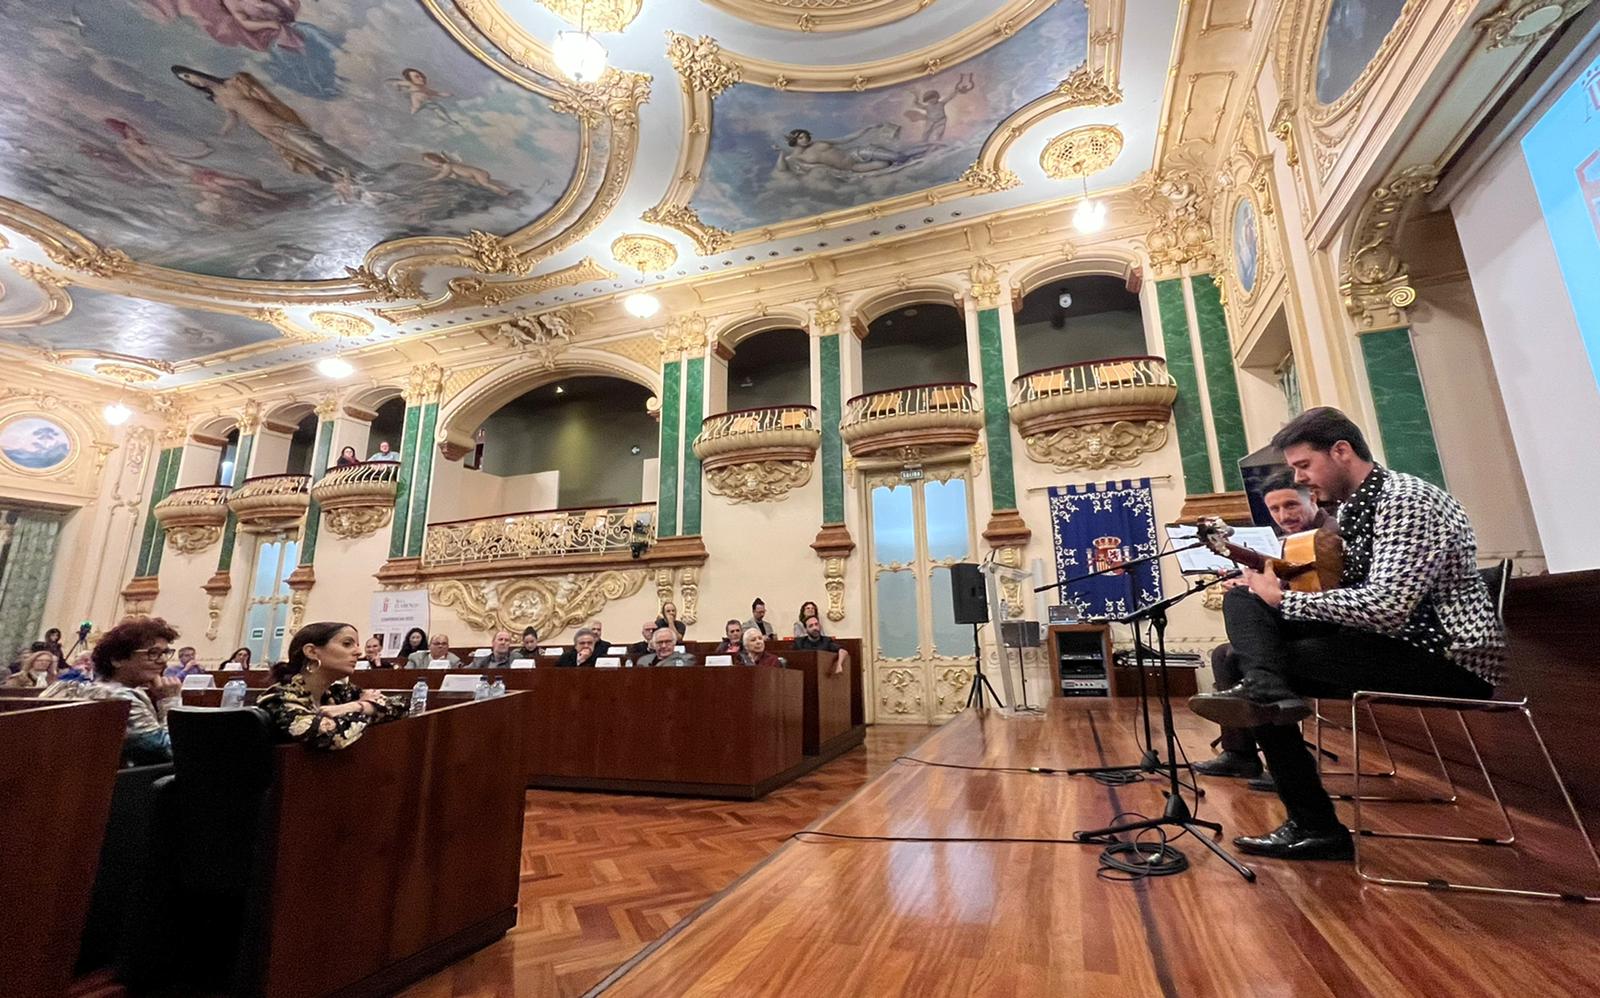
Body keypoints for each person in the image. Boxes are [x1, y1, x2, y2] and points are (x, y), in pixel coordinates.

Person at [1189, 407, 1504, 861]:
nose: (1300, 478)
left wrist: (1285, 601)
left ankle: (1314, 822)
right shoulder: (1357, 508)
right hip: (1394, 643)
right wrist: (1267, 592)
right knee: (1244, 605)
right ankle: (1270, 699)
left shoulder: (1404, 499)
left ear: (1341, 451)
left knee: (1251, 666)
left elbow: (1389, 607)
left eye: (1304, 466)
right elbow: (1360, 604)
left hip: (1444, 655)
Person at [1191, 471, 1327, 782]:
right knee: (1224, 655)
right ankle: (1240, 755)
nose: (1284, 515)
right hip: (1300, 620)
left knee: (1242, 653)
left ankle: (1289, 768)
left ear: (1313, 498)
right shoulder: (1287, 543)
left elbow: (1319, 588)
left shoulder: (1330, 532)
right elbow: (1288, 580)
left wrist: (1270, 592)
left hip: (1332, 628)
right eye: (1275, 510)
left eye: (1291, 505)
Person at [42, 617, 183, 765]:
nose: (162, 660)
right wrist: (170, 702)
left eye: (165, 653)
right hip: (122, 784)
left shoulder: (63, 687)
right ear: (117, 659)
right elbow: (173, 752)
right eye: (153, 653)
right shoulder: (120, 698)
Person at [257, 622, 406, 750]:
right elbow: (334, 736)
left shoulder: (335, 693)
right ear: (312, 652)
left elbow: (401, 705)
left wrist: (354, 707)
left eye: (357, 645)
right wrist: (370, 708)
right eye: (347, 644)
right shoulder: (279, 698)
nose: (359, 652)